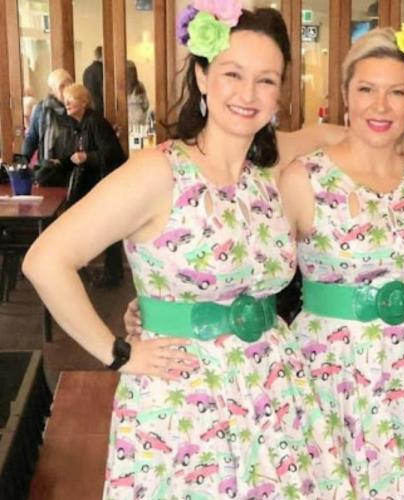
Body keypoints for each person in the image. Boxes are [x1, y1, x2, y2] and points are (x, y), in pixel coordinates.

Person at [24, 7, 357, 498]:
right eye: (232, 74)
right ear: (201, 76)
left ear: (280, 91)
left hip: (273, 396)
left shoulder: (267, 170)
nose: (248, 94)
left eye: (266, 80)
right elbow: (45, 260)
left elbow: (342, 134)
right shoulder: (158, 172)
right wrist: (117, 353)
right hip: (184, 402)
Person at [279, 25, 404, 497]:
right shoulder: (305, 177)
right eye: (366, 89)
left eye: (396, 92)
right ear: (345, 96)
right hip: (328, 374)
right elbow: (257, 267)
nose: (380, 105)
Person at [60, 83, 126, 287]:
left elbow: (113, 153)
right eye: (66, 99)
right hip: (89, 184)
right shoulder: (75, 126)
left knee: (109, 229)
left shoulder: (96, 122)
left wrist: (86, 157)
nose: (67, 103)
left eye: (72, 99)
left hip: (103, 183)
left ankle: (113, 274)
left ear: (84, 102)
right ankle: (80, 268)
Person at [22, 68, 75, 167]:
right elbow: (31, 139)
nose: (67, 88)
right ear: (52, 91)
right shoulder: (41, 110)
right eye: (62, 86)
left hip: (74, 168)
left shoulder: (79, 107)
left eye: (70, 84)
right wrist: (23, 162)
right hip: (48, 169)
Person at [127, 61, 150, 127]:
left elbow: (146, 104)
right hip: (127, 122)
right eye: (129, 72)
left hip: (139, 122)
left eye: (133, 71)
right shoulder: (121, 87)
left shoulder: (140, 86)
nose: (132, 74)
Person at [82, 46, 104, 113]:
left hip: (90, 107)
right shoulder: (103, 71)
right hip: (102, 108)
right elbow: (103, 90)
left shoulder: (86, 70)